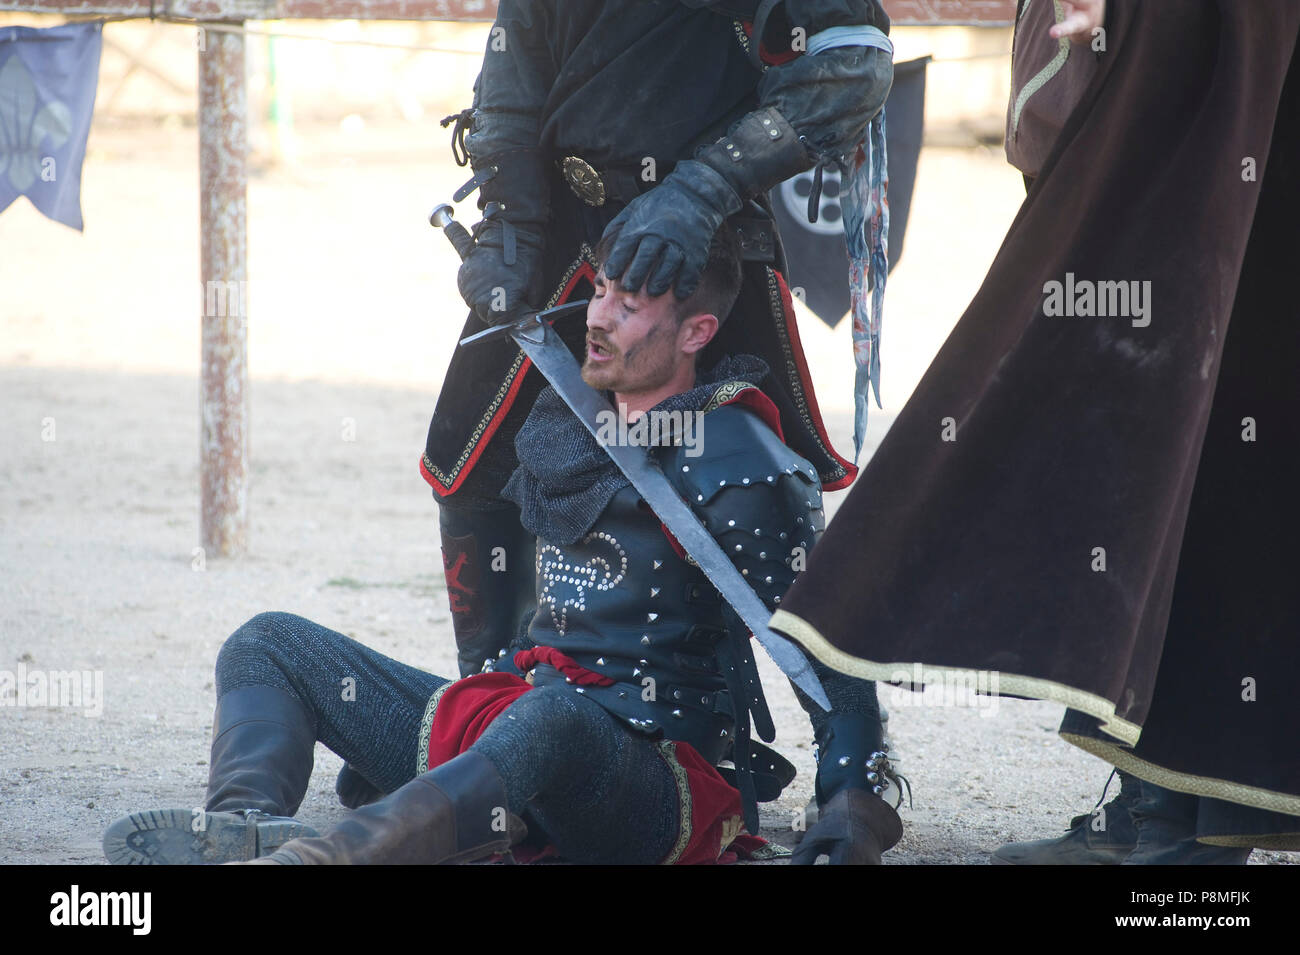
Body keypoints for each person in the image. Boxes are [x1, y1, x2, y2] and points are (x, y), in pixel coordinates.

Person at [102, 226, 903, 866]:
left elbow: (822, 646)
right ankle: (244, 830)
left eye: (631, 306)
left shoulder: (738, 453)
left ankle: (327, 858)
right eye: (602, 291)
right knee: (268, 643)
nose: (598, 316)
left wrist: (853, 801)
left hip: (651, 781)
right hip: (519, 716)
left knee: (550, 719)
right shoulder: (562, 421)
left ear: (697, 329)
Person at [769, 0, 1300, 864]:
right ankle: (1159, 803)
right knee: (1156, 410)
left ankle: (1199, 826)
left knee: (1215, 385)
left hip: (1222, 46)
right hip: (1166, 44)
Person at [423, 0, 894, 688]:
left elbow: (854, 66)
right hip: (553, 224)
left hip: (700, 249)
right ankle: (493, 700)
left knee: (758, 486)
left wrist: (702, 192)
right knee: (471, 466)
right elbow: (516, 56)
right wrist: (509, 220)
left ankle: (854, 758)